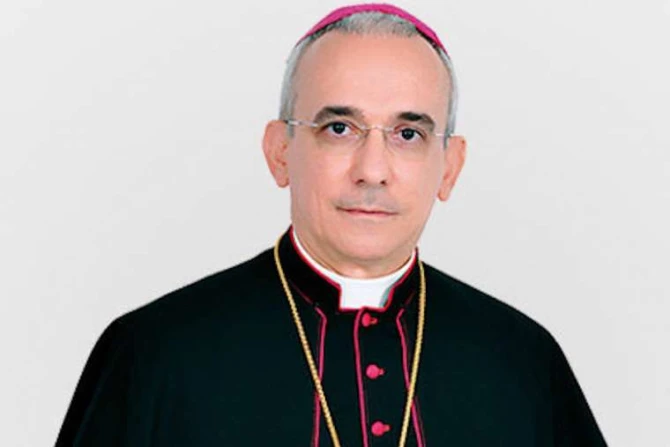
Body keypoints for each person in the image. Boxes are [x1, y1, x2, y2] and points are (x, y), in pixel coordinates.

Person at [55, 4, 607, 446]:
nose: (373, 170)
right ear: (280, 151)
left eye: (408, 134)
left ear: (450, 166)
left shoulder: (522, 361)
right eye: (339, 128)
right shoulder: (153, 354)